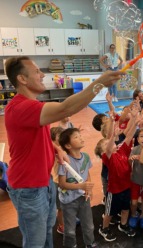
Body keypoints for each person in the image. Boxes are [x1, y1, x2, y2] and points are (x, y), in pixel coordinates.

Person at [4, 56, 123, 248]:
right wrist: (100, 82)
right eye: (37, 71)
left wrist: (56, 148)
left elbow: (34, 137)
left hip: (43, 183)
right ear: (22, 79)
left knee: (46, 235)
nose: (42, 74)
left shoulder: (30, 106)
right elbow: (66, 107)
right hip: (28, 189)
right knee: (35, 242)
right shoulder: (22, 107)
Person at [96, 106, 139, 242]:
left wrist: (135, 121)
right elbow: (108, 148)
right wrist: (113, 136)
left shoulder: (121, 151)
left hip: (126, 187)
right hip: (113, 191)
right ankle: (104, 228)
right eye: (105, 145)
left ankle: (123, 225)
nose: (109, 144)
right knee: (109, 213)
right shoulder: (107, 157)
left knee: (125, 209)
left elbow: (129, 136)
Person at [58, 128, 98, 248]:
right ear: (68, 145)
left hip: (83, 198)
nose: (81, 138)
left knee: (89, 225)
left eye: (80, 135)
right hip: (68, 201)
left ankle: (89, 244)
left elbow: (87, 174)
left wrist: (88, 188)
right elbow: (62, 184)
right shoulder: (64, 162)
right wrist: (81, 186)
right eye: (76, 137)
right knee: (69, 230)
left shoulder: (85, 157)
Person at [128, 127, 143, 229]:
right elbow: (129, 164)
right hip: (135, 180)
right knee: (133, 202)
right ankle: (133, 215)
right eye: (141, 136)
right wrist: (131, 159)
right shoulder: (135, 149)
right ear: (137, 139)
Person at [50, 126, 65, 234]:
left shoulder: (62, 148)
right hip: (58, 182)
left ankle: (65, 221)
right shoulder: (54, 150)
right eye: (60, 136)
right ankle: (61, 226)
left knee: (66, 204)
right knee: (61, 207)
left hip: (65, 181)